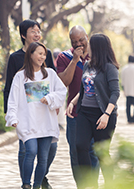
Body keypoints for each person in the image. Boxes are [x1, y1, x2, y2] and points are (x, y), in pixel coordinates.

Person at [3, 19, 57, 189]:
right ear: (23, 35)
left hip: (44, 112)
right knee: (27, 150)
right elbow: (9, 88)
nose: (37, 34)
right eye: (33, 31)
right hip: (25, 114)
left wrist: (54, 102)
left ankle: (41, 177)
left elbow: (53, 82)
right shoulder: (15, 58)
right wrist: (10, 114)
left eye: (38, 31)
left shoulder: (45, 55)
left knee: (49, 150)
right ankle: (26, 182)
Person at [66, 33, 120, 188]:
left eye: (89, 44)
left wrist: (106, 114)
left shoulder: (110, 68)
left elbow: (115, 92)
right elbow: (84, 88)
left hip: (103, 114)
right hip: (85, 112)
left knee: (101, 152)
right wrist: (73, 102)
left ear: (97, 47)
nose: (86, 46)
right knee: (80, 146)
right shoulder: (88, 65)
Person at [56, 25, 99, 184]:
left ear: (87, 37)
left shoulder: (97, 56)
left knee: (93, 151)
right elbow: (63, 82)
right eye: (75, 42)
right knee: (75, 151)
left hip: (95, 111)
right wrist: (75, 59)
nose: (79, 44)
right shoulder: (64, 57)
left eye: (81, 39)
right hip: (74, 114)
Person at [121, 55, 134, 124]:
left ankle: (129, 119)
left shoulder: (124, 68)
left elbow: (122, 81)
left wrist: (124, 88)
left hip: (127, 89)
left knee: (128, 105)